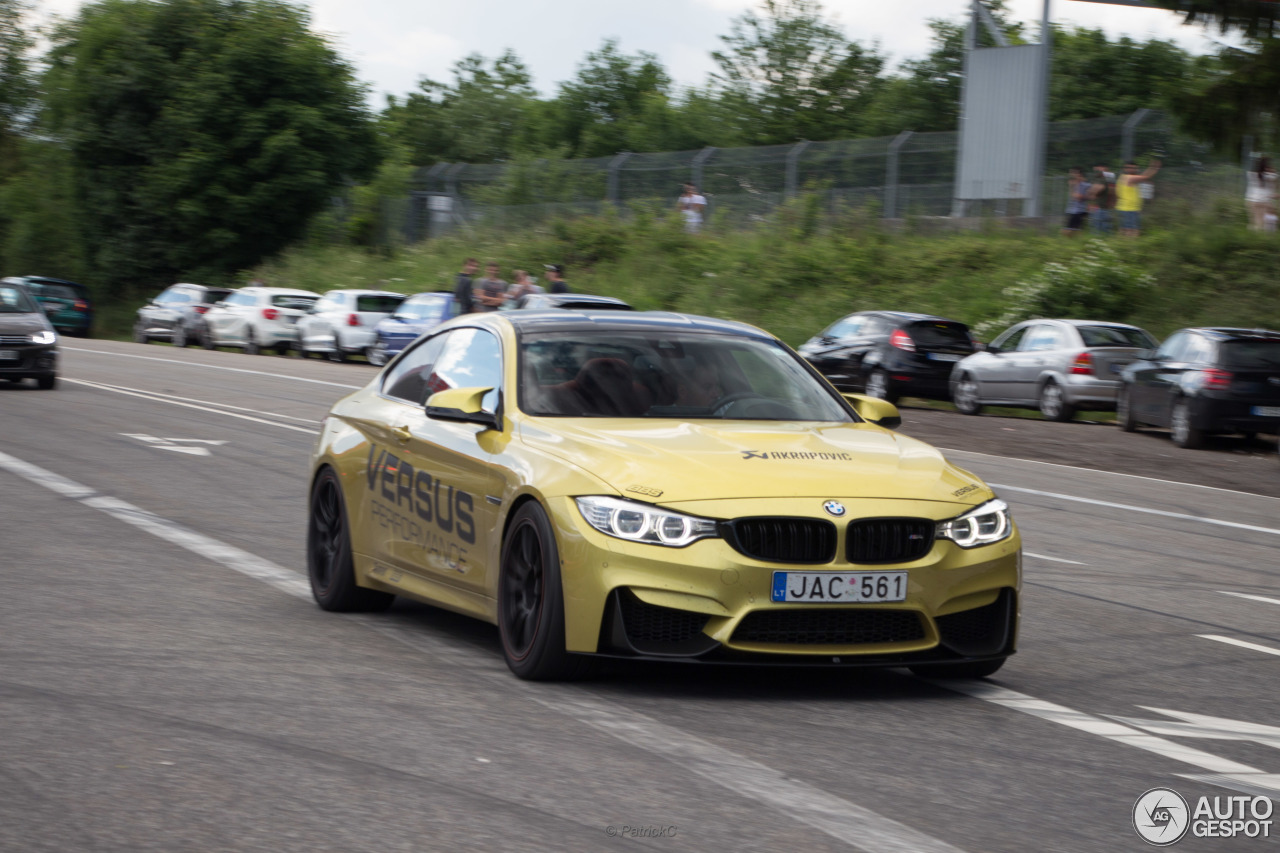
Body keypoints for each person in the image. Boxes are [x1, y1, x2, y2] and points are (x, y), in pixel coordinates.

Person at [1115, 157, 1161, 237]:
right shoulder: (1127, 177)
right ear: (1124, 168)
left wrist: (1151, 168)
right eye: (1129, 168)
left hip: (1127, 208)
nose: (1132, 169)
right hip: (1129, 209)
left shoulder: (1126, 177)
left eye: (1134, 168)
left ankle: (1120, 246)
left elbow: (1143, 176)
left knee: (1123, 230)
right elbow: (1145, 177)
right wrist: (1154, 168)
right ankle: (1130, 247)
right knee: (1132, 231)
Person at [1246, 156, 1277, 232]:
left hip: (1251, 201)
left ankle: (1250, 238)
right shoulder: (1270, 176)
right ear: (1267, 166)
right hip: (1264, 201)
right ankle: (1260, 240)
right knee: (1261, 225)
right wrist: (1272, 171)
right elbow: (1275, 177)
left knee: (1254, 223)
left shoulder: (1251, 174)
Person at [1088, 163, 1116, 235]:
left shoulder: (1103, 178)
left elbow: (1096, 190)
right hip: (1102, 207)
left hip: (1100, 207)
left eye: (1099, 168)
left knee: (1097, 230)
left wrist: (1092, 191)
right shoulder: (1110, 178)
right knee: (1104, 230)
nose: (1097, 170)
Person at [1062, 167, 1090, 237]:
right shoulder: (1074, 184)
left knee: (1069, 231)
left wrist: (1071, 187)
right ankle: (1075, 243)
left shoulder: (1084, 185)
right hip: (1071, 210)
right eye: (1070, 173)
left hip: (1079, 210)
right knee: (1073, 231)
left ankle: (1078, 243)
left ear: (1079, 174)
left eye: (1073, 173)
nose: (1071, 175)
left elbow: (1077, 197)